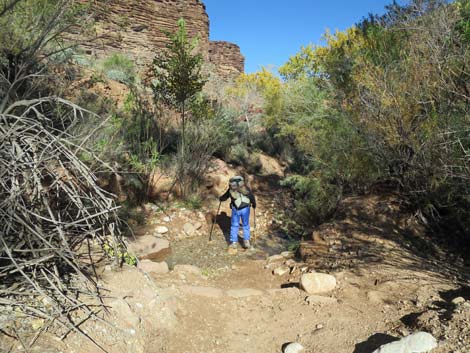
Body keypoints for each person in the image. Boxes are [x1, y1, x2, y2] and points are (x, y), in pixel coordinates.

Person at [219, 176, 256, 251]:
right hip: (246, 208)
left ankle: (234, 243)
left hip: (236, 209)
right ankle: (246, 241)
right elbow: (251, 196)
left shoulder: (231, 189)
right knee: (245, 224)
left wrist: (220, 199)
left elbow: (224, 197)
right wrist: (254, 204)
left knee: (234, 225)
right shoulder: (245, 188)